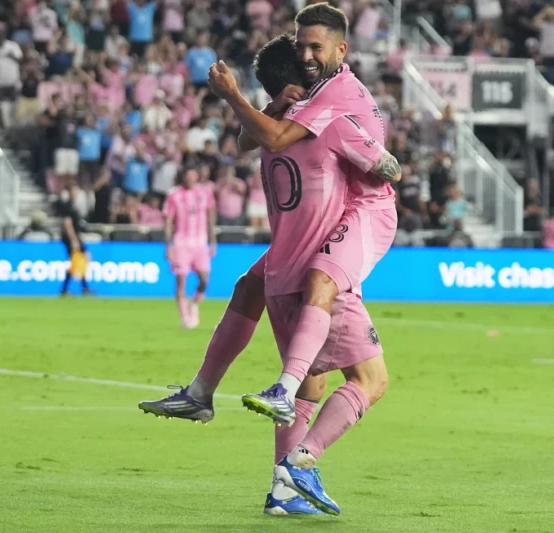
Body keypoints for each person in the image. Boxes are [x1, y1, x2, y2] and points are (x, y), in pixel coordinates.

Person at [141, 32, 401, 516]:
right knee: (371, 380)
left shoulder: (267, 125)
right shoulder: (325, 120)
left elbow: (253, 136)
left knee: (307, 379)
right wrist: (374, 154)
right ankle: (301, 462)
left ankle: (276, 486)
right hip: (316, 271)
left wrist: (258, 101)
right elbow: (388, 168)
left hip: (279, 272)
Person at [207, 2, 397, 435]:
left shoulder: (332, 99)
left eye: (316, 47)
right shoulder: (309, 99)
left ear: (341, 50)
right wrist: (273, 104)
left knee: (326, 303)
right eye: (301, 48)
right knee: (253, 288)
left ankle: (287, 421)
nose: (307, 56)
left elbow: (269, 138)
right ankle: (284, 479)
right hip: (323, 224)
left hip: (361, 215)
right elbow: (247, 140)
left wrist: (234, 95)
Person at [163, 167, 217, 329]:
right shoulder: (174, 195)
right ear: (183, 177)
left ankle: (194, 305)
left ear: (197, 177)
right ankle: (185, 317)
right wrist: (168, 246)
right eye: (188, 176)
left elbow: (211, 218)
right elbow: (168, 222)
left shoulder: (205, 193)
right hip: (181, 243)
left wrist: (213, 241)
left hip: (200, 243)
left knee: (204, 280)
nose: (190, 179)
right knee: (181, 282)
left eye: (193, 175)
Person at [58, 192, 94, 297]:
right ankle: (68, 289)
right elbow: (67, 224)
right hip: (72, 240)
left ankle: (83, 287)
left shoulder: (72, 208)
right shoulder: (68, 208)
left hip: (76, 238)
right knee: (76, 263)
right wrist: (74, 240)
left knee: (80, 262)